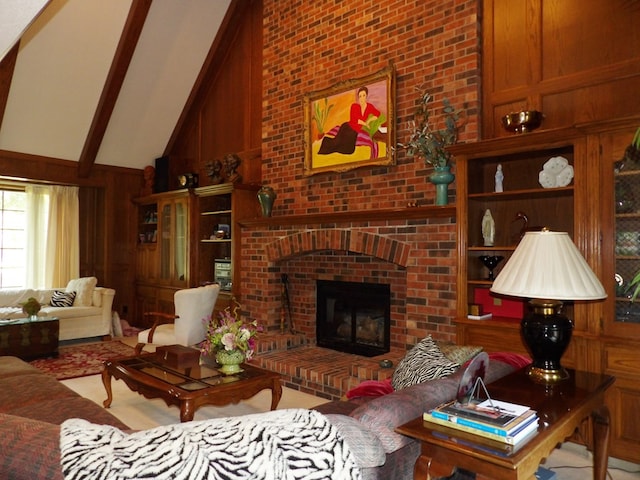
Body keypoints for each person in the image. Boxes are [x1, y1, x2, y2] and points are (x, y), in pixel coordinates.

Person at [318, 86, 381, 155]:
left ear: (366, 96)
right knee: (336, 142)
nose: (362, 98)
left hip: (355, 130)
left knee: (349, 150)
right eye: (360, 96)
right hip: (347, 127)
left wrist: (369, 121)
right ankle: (325, 141)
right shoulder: (354, 106)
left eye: (363, 95)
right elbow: (354, 120)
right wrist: (365, 124)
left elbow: (377, 114)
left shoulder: (369, 107)